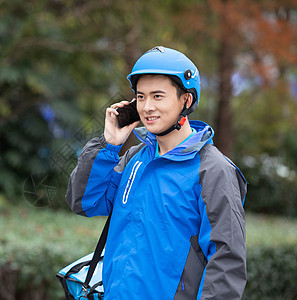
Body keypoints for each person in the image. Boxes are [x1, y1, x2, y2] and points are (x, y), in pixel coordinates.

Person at [66, 46, 247, 299]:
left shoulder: (213, 170)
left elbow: (226, 262)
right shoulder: (134, 159)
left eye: (158, 96)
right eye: (141, 97)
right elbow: (84, 202)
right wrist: (109, 145)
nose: (147, 107)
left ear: (186, 99)